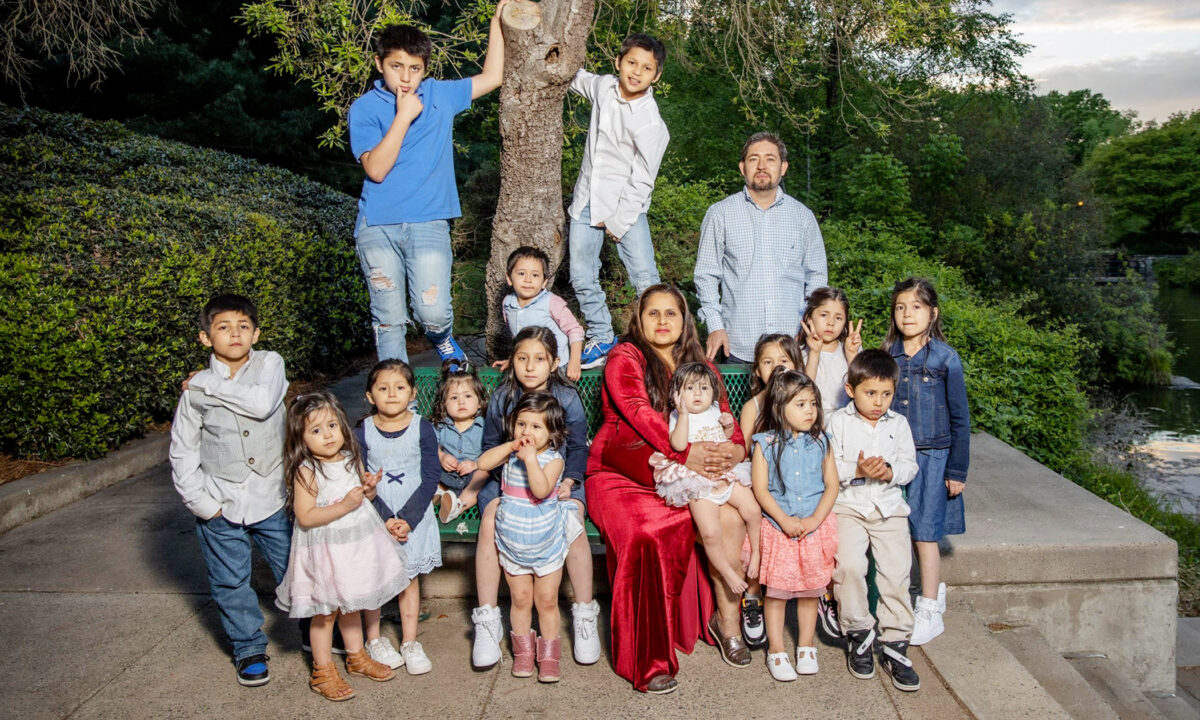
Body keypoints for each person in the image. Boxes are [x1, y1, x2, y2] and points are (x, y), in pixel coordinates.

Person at [585, 284, 749, 695]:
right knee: (644, 534)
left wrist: (732, 452)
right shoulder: (626, 357)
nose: (662, 321)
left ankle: (726, 621)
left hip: (682, 478)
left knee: (728, 516)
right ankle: (648, 660)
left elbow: (728, 420)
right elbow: (639, 414)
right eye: (652, 313)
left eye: (671, 313)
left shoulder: (701, 367)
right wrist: (687, 454)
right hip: (622, 472)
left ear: (684, 319)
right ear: (638, 320)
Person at [347, 2, 514, 366]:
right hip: (377, 225)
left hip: (429, 222)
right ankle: (396, 390)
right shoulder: (363, 108)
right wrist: (404, 116)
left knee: (433, 311)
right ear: (379, 64)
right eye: (396, 67)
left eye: (414, 69)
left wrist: (496, 22)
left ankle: (441, 337)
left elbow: (492, 77)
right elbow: (375, 169)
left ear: (424, 69)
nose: (405, 78)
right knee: (388, 319)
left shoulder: (439, 95)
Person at [168, 294, 293, 687]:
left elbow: (260, 405)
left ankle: (316, 630)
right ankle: (248, 647)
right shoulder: (193, 396)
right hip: (221, 500)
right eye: (223, 327)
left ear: (256, 333)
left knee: (297, 567)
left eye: (243, 326)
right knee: (230, 581)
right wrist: (203, 504)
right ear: (206, 338)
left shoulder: (270, 364)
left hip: (274, 496)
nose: (234, 334)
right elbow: (183, 449)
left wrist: (206, 382)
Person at [468, 327, 600, 669]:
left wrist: (570, 481)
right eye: (522, 358)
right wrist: (506, 487)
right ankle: (487, 620)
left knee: (572, 520)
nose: (530, 367)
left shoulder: (566, 396)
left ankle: (584, 615)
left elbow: (575, 448)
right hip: (508, 478)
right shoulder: (502, 397)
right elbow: (489, 449)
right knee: (490, 518)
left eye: (539, 359)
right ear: (512, 361)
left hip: (559, 474)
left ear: (553, 363)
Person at [274, 392, 409, 701]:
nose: (328, 435)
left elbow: (359, 499)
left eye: (332, 425)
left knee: (353, 603)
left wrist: (368, 491)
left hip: (354, 548)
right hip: (325, 552)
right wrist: (347, 504)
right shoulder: (306, 470)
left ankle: (356, 656)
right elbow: (306, 517)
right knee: (325, 614)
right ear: (301, 438)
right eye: (316, 430)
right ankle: (322, 671)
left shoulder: (349, 458)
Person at [567, 33, 670, 368]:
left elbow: (642, 179)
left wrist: (617, 221)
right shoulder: (604, 88)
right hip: (585, 200)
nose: (636, 72)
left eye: (646, 68)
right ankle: (601, 335)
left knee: (645, 278)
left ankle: (659, 342)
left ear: (656, 75)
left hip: (626, 207)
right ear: (619, 63)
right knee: (582, 273)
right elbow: (576, 77)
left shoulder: (651, 121)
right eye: (631, 63)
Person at [827, 349, 921, 692]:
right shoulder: (838, 421)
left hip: (888, 508)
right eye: (870, 393)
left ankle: (895, 642)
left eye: (886, 394)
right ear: (851, 390)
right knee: (849, 565)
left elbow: (910, 465)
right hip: (849, 506)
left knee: (896, 572)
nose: (879, 401)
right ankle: (859, 632)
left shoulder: (899, 424)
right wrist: (857, 471)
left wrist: (891, 472)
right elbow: (829, 467)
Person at [884, 278, 970, 646]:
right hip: (896, 454)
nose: (908, 314)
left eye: (916, 307)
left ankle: (931, 606)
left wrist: (957, 470)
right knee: (897, 528)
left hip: (934, 457)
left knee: (925, 531)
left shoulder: (945, 358)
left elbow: (960, 418)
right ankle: (902, 596)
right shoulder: (888, 355)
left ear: (932, 313)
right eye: (901, 307)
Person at [694, 131, 828, 363]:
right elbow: (705, 275)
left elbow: (817, 279)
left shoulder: (803, 218)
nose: (762, 166)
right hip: (736, 347)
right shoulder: (720, 214)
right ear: (742, 167)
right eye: (754, 159)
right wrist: (715, 326)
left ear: (783, 167)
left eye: (770, 159)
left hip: (792, 347)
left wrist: (809, 324)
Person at [475, 393, 578, 682]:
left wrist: (531, 459)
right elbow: (483, 463)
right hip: (513, 543)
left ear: (552, 433)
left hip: (546, 545)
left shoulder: (554, 460)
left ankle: (548, 657)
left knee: (546, 601)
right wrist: (509, 446)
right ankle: (522, 652)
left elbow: (542, 490)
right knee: (520, 599)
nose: (526, 432)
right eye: (521, 424)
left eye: (536, 427)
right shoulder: (510, 453)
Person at [748, 370, 839, 681]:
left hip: (814, 526)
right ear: (779, 406)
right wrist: (784, 520)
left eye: (813, 404)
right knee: (776, 592)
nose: (810, 411)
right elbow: (761, 489)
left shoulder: (822, 441)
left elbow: (832, 486)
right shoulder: (766, 443)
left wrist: (815, 519)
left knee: (810, 591)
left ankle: (806, 646)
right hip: (779, 528)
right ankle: (776, 650)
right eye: (800, 404)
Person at [356, 359, 442, 674]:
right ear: (369, 396)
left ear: (412, 393)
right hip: (375, 514)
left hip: (414, 515)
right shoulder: (362, 431)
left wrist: (407, 518)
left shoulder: (423, 427)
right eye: (383, 388)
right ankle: (374, 639)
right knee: (375, 577)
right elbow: (359, 478)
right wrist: (385, 518)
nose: (392, 394)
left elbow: (430, 476)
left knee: (408, 580)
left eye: (400, 387)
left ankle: (409, 641)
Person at [650, 362, 760, 595]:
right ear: (677, 395)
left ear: (713, 393)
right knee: (710, 531)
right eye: (689, 388)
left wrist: (728, 427)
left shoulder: (716, 412)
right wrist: (683, 415)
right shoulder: (677, 416)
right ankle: (727, 573)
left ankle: (757, 554)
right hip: (697, 482)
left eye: (704, 388)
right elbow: (678, 445)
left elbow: (725, 438)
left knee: (753, 511)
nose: (698, 393)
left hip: (724, 475)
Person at [736, 332, 805, 648]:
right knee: (756, 532)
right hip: (762, 483)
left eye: (783, 360)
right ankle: (753, 596)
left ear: (796, 365)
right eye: (767, 361)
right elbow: (744, 452)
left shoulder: (803, 400)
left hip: (799, 485)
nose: (776, 366)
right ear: (758, 372)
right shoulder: (754, 406)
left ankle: (818, 591)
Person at [496, 246, 585, 381]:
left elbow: (575, 330)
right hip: (528, 368)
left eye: (535, 275)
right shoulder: (508, 303)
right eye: (521, 273)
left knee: (556, 400)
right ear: (509, 278)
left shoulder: (551, 302)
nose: (528, 280)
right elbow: (517, 339)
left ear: (544, 281)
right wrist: (512, 360)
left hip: (556, 368)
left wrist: (574, 361)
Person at [430, 361, 489, 523]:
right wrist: (441, 456)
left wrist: (477, 463)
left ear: (479, 403)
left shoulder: (485, 425)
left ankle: (458, 506)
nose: (461, 402)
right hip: (446, 474)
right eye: (454, 397)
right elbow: (428, 446)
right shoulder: (440, 424)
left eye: (468, 396)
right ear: (444, 404)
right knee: (429, 466)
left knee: (484, 473)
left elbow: (492, 452)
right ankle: (439, 494)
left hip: (472, 477)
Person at [799, 287, 862, 418]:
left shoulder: (851, 349)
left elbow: (864, 389)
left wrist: (851, 354)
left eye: (838, 318)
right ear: (809, 318)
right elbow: (802, 393)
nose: (831, 323)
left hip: (849, 419)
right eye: (823, 315)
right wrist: (814, 353)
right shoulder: (799, 353)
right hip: (812, 420)